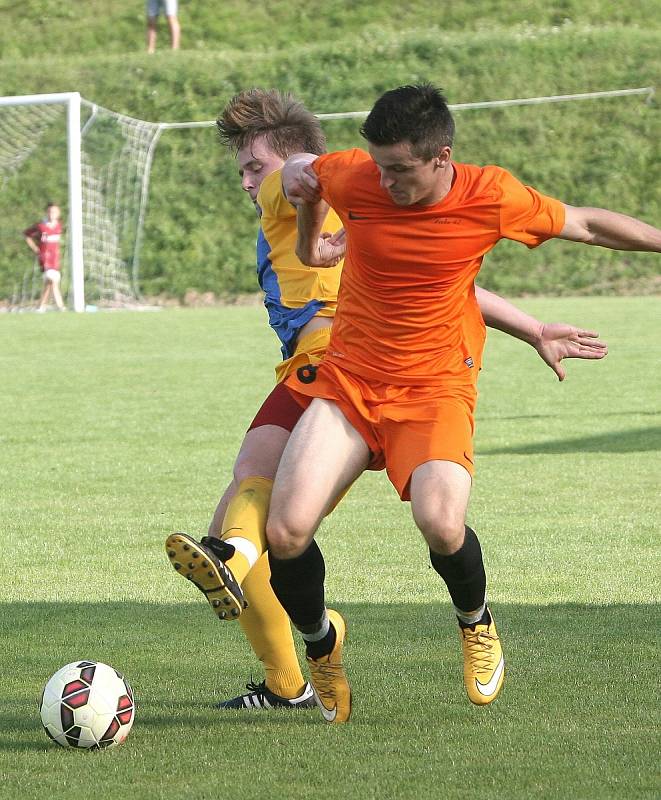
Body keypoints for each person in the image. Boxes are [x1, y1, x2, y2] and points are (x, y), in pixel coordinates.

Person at [165, 88, 610, 713]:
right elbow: (417, 267)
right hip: (340, 372)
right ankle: (295, 668)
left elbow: (444, 276)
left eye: (252, 166)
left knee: (411, 517)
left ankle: (250, 567)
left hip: (370, 368)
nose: (247, 182)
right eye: (241, 169)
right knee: (271, 514)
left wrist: (306, 190)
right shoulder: (357, 190)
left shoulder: (330, 188)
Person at [24, 202, 66, 312]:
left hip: (55, 258)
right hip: (45, 258)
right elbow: (26, 234)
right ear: (47, 212)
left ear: (58, 213)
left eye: (54, 212)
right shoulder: (40, 226)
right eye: (50, 211)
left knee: (49, 282)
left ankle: (41, 306)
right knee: (52, 279)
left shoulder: (59, 225)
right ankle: (61, 306)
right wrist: (35, 248)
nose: (52, 214)